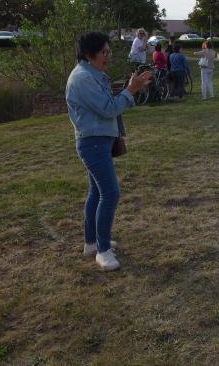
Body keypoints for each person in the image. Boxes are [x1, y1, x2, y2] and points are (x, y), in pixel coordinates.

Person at [65, 32, 152, 270]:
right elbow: (108, 108)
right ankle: (102, 251)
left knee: (96, 192)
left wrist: (131, 88)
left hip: (98, 141)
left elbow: (108, 106)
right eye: (104, 52)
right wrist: (131, 90)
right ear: (88, 54)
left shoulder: (92, 75)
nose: (109, 56)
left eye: (109, 51)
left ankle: (92, 243)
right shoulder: (83, 78)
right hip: (92, 143)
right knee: (110, 193)